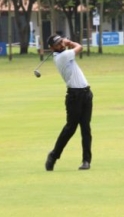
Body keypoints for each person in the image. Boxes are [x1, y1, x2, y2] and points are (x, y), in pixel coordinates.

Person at [44, 34, 93, 171]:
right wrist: (69, 42)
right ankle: (53, 156)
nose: (61, 44)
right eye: (58, 43)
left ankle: (86, 161)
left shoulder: (64, 53)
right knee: (70, 128)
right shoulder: (61, 57)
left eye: (61, 42)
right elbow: (80, 47)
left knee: (86, 129)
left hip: (86, 93)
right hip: (74, 96)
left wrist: (65, 44)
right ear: (52, 48)